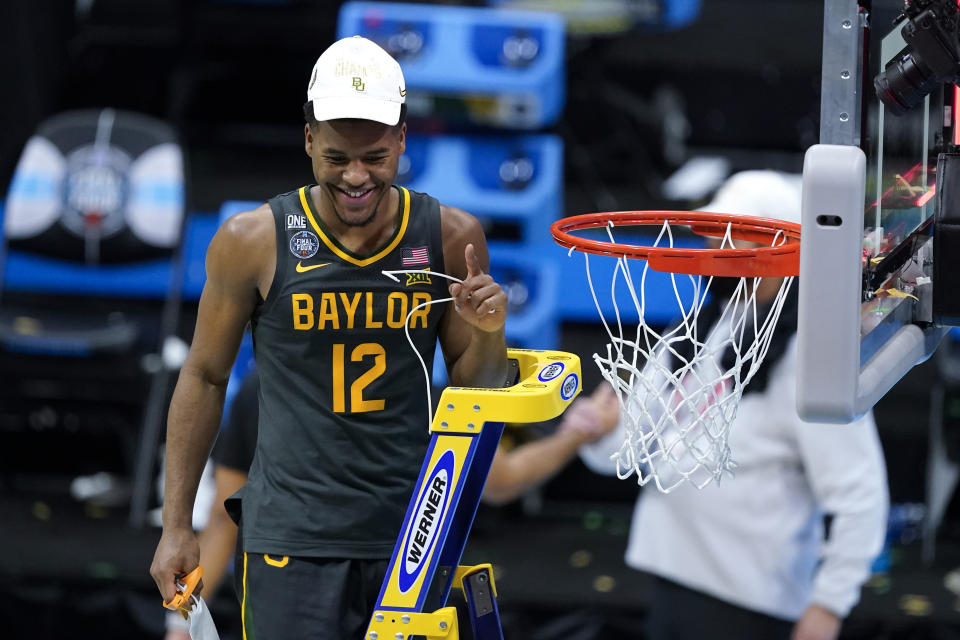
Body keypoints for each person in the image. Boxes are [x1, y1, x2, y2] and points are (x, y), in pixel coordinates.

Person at [151, 35, 512, 639]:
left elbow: (478, 388)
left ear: (401, 140)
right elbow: (204, 375)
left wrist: (491, 332)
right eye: (337, 156)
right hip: (291, 538)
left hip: (414, 536)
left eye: (374, 157)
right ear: (309, 139)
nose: (355, 176)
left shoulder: (451, 234)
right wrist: (175, 524)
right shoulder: (252, 239)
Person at [580, 170, 890, 640]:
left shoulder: (808, 355)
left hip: (750, 605)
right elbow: (629, 450)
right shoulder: (700, 330)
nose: (717, 250)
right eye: (715, 236)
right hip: (672, 580)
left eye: (733, 237)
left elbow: (861, 495)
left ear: (778, 248)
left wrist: (828, 607)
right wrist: (598, 432)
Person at [163, 369, 619, 638]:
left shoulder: (419, 394)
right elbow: (223, 522)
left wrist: (578, 435)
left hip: (390, 594)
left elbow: (503, 479)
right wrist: (182, 622)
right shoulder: (262, 392)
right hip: (299, 592)